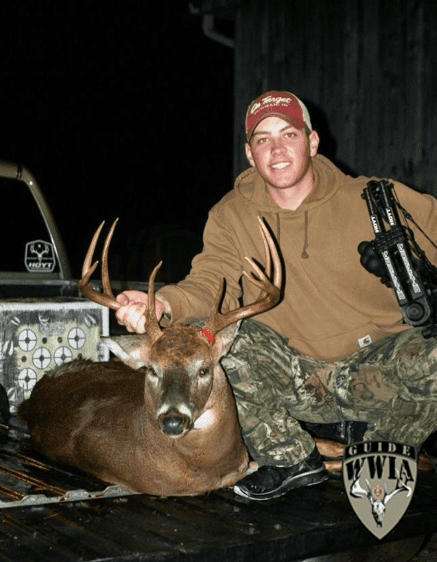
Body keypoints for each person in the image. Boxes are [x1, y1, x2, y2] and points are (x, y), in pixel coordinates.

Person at [115, 90, 437, 501]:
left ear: (313, 141)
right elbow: (209, 280)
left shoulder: (377, 201)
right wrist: (162, 304)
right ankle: (288, 459)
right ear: (250, 154)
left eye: (288, 134)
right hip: (293, 377)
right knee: (214, 335)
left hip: (377, 372)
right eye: (263, 139)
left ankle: (381, 451)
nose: (277, 149)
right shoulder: (231, 214)